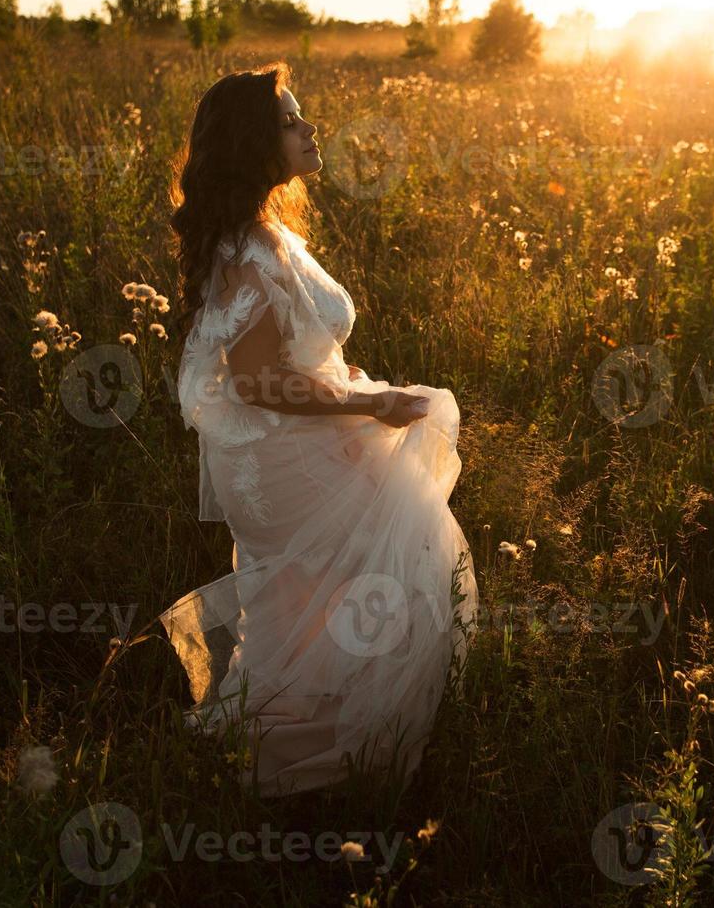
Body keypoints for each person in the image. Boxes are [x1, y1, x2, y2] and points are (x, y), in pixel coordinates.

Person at [159, 62, 478, 797]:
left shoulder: (268, 234)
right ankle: (312, 765)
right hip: (283, 459)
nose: (310, 129)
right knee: (389, 575)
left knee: (315, 599)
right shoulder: (245, 251)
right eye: (292, 121)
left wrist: (361, 401)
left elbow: (302, 354)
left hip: (296, 445)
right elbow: (258, 383)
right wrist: (368, 407)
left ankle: (277, 749)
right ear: (254, 144)